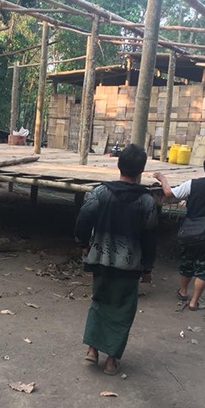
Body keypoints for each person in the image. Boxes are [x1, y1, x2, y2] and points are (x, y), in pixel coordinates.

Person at [75, 144, 158, 375]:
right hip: (129, 266)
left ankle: (92, 350)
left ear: (118, 164)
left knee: (99, 301)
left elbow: (83, 218)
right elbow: (150, 237)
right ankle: (111, 361)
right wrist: (148, 268)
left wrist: (83, 244)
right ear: (142, 169)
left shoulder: (100, 193)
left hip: (101, 259)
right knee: (123, 310)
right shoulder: (147, 201)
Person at [153, 155, 205, 311]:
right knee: (204, 268)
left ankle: (183, 291)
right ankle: (194, 302)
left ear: (204, 169)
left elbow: (169, 193)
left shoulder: (193, 184)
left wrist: (162, 178)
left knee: (187, 263)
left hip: (190, 232)